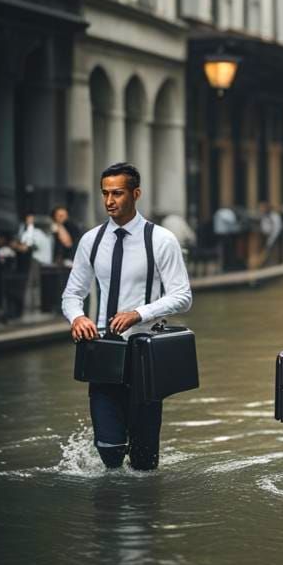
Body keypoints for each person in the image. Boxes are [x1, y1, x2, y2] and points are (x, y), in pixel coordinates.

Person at [62, 163, 192, 471]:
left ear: (136, 194)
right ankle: (110, 511)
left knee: (144, 459)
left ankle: (142, 512)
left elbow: (183, 296)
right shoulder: (91, 241)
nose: (109, 201)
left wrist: (139, 313)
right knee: (109, 450)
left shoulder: (161, 240)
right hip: (103, 351)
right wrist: (78, 318)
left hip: (145, 355)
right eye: (105, 193)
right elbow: (71, 294)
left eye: (117, 193)